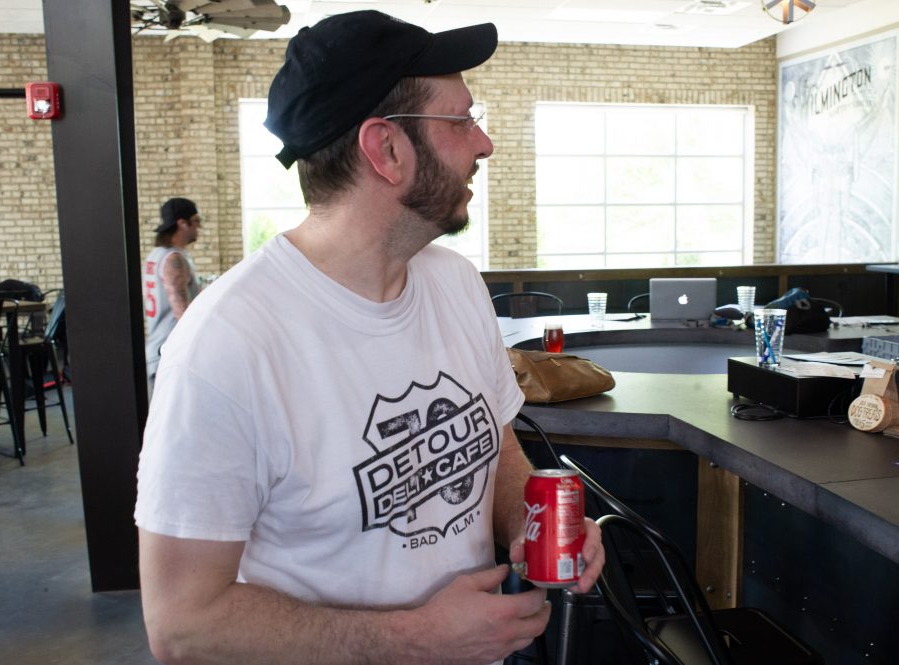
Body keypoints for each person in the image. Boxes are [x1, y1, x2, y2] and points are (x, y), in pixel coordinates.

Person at [134, 10, 603, 665]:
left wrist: (535, 522)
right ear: (386, 148)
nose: (485, 143)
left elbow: (494, 451)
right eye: (461, 120)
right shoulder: (227, 346)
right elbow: (182, 624)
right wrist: (413, 639)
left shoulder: (456, 285)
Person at [142, 197, 202, 383]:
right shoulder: (173, 259)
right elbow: (183, 314)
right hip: (170, 355)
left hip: (161, 350)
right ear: (182, 223)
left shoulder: (156, 255)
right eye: (196, 221)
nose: (198, 227)